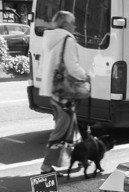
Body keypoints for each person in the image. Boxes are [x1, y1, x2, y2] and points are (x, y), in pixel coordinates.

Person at [38, 11, 90, 173]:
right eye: (73, 23)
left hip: (54, 91)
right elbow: (72, 67)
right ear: (66, 24)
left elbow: (42, 66)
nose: (75, 26)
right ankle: (46, 166)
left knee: (71, 127)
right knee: (62, 130)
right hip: (65, 93)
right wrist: (85, 76)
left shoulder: (49, 39)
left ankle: (81, 158)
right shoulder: (67, 39)